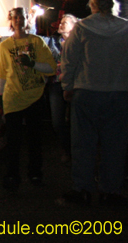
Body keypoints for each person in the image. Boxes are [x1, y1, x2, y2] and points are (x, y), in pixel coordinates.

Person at [59, 0, 128, 207]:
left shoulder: (82, 28)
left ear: (93, 4)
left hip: (87, 92)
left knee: (83, 144)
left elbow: (69, 59)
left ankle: (82, 188)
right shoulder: (127, 28)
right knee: (115, 146)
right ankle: (110, 190)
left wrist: (67, 86)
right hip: (120, 93)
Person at [0, 7, 56, 191]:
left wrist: (32, 63)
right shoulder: (5, 46)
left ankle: (35, 173)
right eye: (14, 18)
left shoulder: (37, 42)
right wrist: (0, 100)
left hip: (35, 97)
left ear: (26, 20)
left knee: (34, 140)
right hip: (13, 98)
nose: (18, 21)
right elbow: (2, 75)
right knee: (13, 141)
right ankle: (12, 175)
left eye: (21, 18)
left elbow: (51, 68)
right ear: (11, 21)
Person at [43, 14, 78, 162]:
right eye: (60, 22)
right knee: (57, 121)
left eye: (65, 23)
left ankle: (78, 152)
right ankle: (66, 150)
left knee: (77, 121)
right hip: (57, 85)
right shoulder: (52, 41)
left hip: (76, 85)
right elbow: (33, 37)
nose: (61, 25)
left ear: (74, 26)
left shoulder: (80, 42)